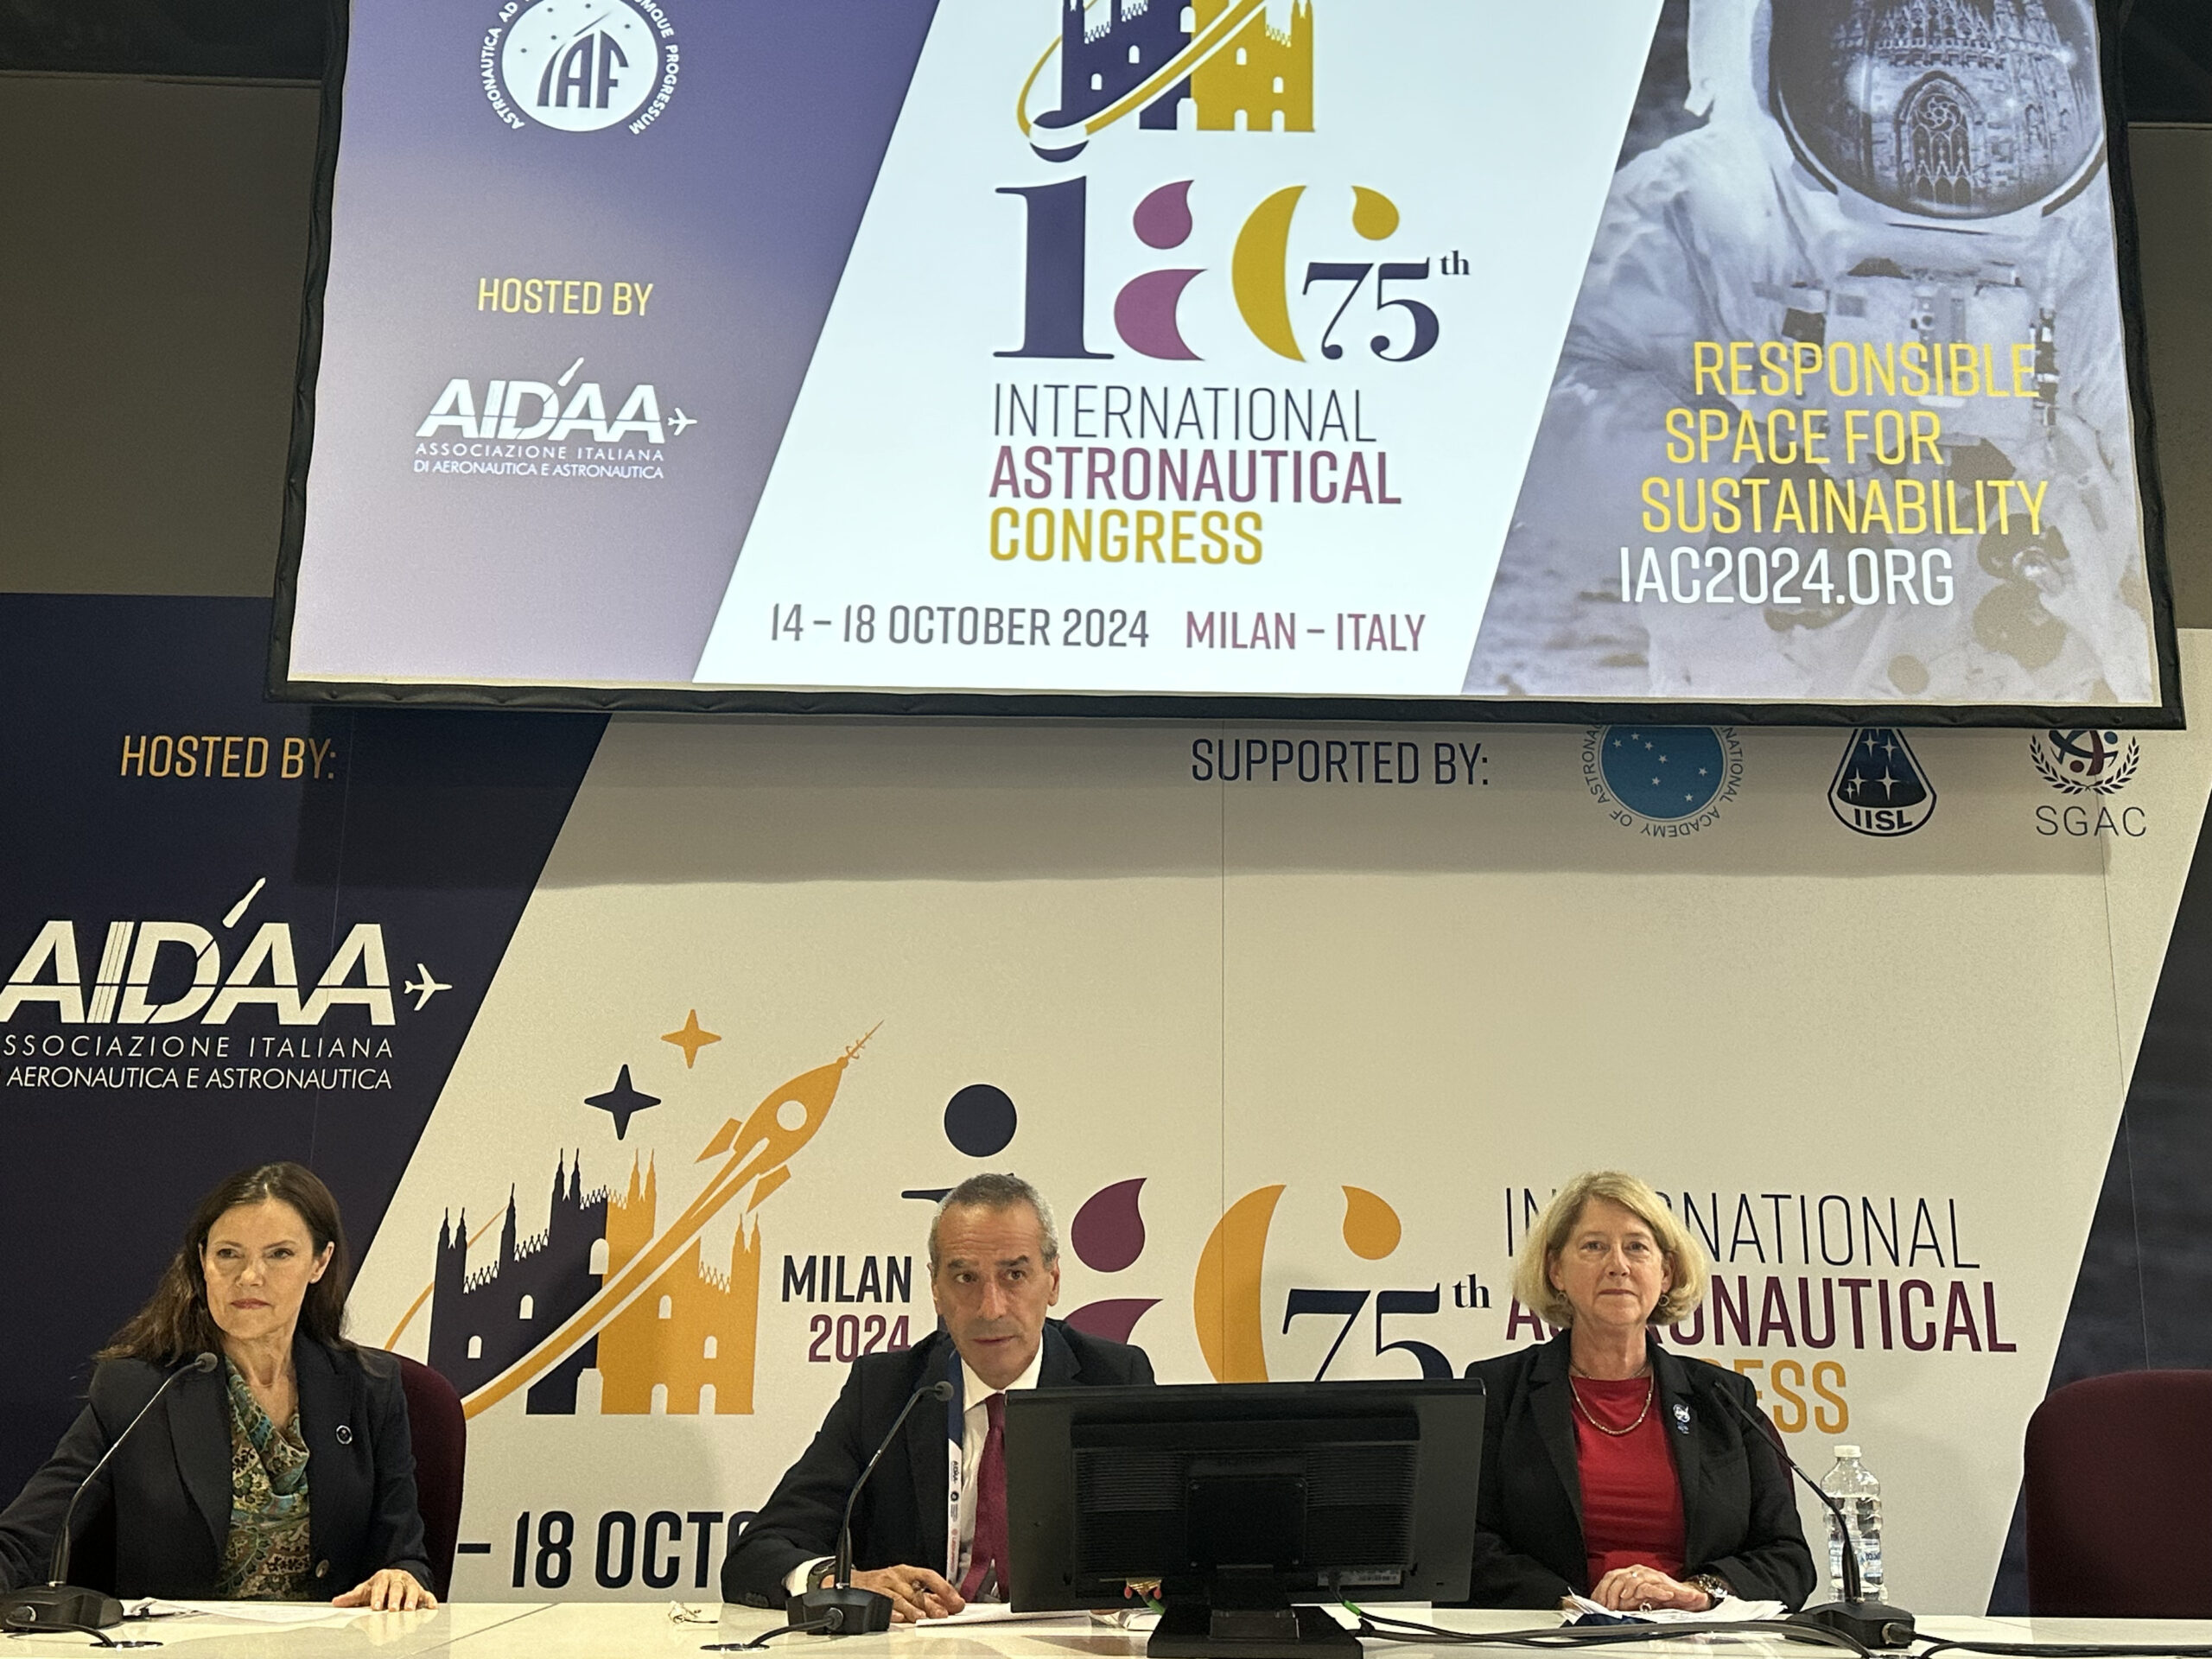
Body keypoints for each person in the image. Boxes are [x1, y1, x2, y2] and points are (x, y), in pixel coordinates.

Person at [0, 1163, 435, 1611]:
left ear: (319, 1262)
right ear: (203, 1260)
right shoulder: (139, 1390)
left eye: (279, 1254)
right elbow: (27, 1540)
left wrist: (399, 1577)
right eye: (228, 1253)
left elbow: (405, 1556)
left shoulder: (369, 1389)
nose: (249, 1276)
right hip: (177, 1642)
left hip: (333, 1641)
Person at [723, 1173, 1154, 1619]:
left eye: (1015, 1275)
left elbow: (1162, 1559)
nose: (991, 1308)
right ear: (935, 1289)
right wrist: (841, 1582)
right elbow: (756, 1555)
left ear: (1053, 1280)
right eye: (965, 1277)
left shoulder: (1114, 1382)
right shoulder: (885, 1392)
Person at [1462, 1171, 1815, 1611]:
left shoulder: (1724, 1398)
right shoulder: (1497, 1391)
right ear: (1556, 1270)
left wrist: (1697, 1592)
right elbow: (1464, 1547)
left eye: (1636, 1247)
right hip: (1553, 1635)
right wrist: (1577, 1605)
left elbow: (1787, 1558)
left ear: (1665, 1272)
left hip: (1695, 1637)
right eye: (1594, 1246)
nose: (1618, 1265)